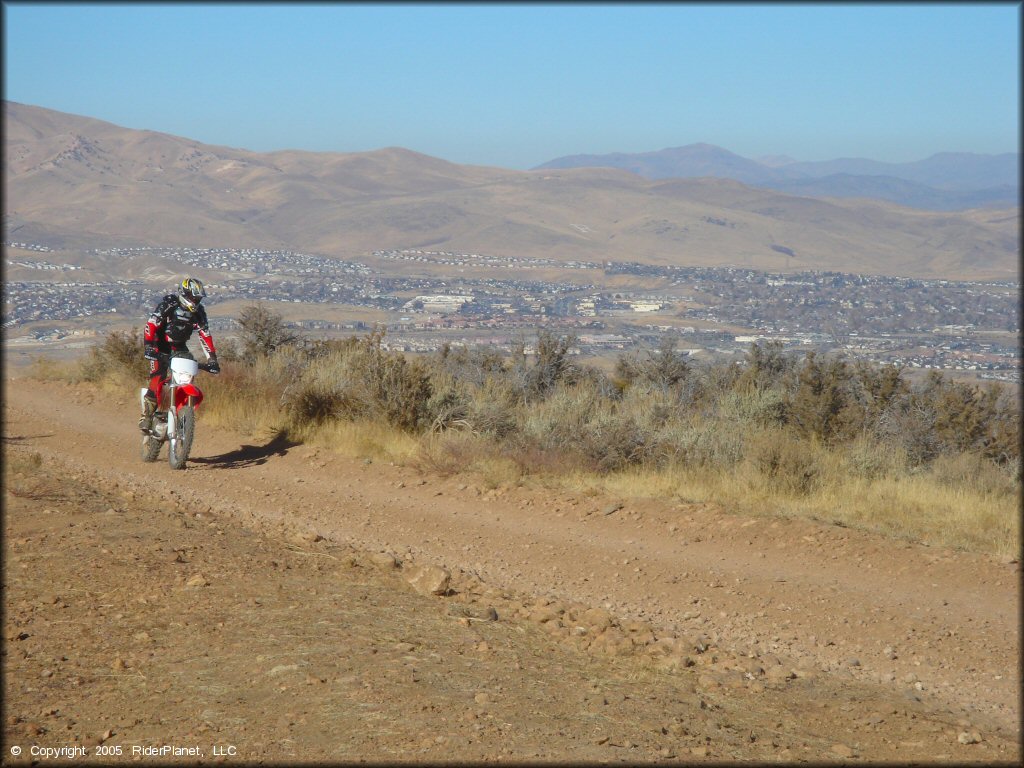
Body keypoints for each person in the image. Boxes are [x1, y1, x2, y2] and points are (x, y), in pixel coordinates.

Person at [139, 277, 220, 431]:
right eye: (193, 297)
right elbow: (151, 324)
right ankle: (147, 416)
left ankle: (179, 411)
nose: (195, 301)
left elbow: (205, 335)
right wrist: (149, 346)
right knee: (158, 376)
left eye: (198, 298)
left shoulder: (199, 313)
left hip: (179, 347)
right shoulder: (169, 304)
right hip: (160, 345)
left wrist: (212, 359)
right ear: (185, 294)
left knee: (187, 374)